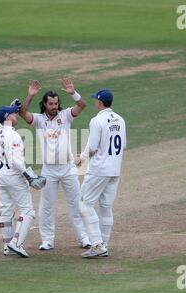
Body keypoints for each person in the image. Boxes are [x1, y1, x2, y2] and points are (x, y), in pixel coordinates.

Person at [18, 79, 91, 250]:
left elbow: (82, 105)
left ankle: (84, 237)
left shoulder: (65, 115)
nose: (54, 106)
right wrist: (29, 95)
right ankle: (47, 240)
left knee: (76, 204)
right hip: (48, 169)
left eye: (56, 103)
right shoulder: (38, 119)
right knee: (46, 206)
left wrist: (73, 92)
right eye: (50, 103)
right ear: (44, 104)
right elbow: (22, 113)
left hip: (68, 167)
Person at [75, 89, 126, 258]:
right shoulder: (120, 119)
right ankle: (104, 244)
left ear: (99, 102)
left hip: (99, 170)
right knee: (105, 206)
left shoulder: (96, 121)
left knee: (84, 204)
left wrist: (81, 158)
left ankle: (96, 244)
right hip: (115, 169)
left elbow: (92, 147)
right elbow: (123, 145)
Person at [0, 101, 46, 257]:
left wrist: (10, 107)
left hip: (0, 178)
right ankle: (16, 243)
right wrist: (29, 176)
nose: (16, 114)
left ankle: (7, 245)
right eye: (13, 113)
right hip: (14, 178)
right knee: (28, 210)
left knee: (6, 210)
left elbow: (1, 121)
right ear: (7, 117)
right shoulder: (14, 136)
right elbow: (16, 161)